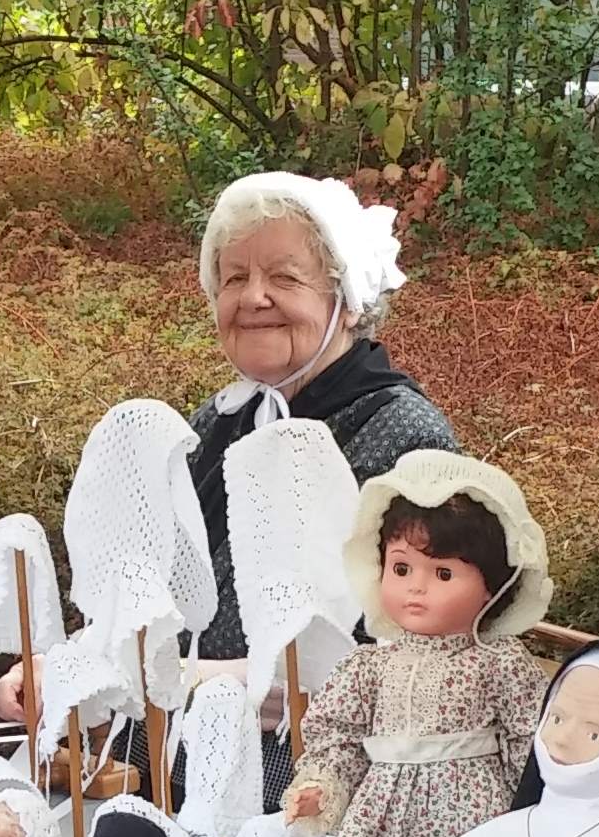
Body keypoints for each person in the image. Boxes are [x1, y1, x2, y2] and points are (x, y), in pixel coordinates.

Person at [183, 171, 463, 675]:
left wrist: (202, 680)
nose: (253, 297)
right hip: (166, 716)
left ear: (348, 303)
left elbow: (400, 655)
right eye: (235, 278)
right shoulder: (218, 422)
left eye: (285, 278)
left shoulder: (406, 442)